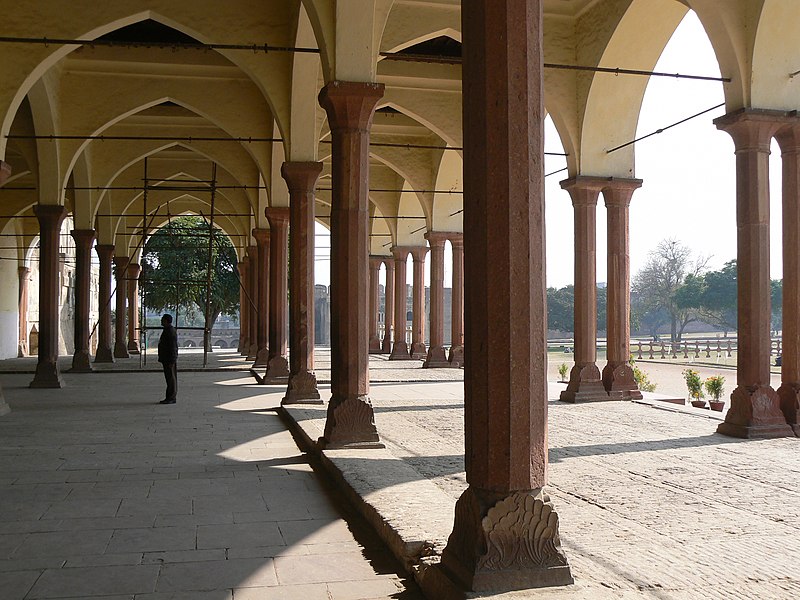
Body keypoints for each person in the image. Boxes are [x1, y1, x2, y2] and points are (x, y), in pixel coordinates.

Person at [157, 314, 178, 404]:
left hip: (169, 359)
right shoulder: (168, 330)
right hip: (166, 358)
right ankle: (170, 396)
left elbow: (173, 347)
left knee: (171, 378)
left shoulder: (170, 331)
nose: (161, 321)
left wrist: (173, 359)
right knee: (169, 378)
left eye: (162, 320)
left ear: (166, 321)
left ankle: (171, 397)